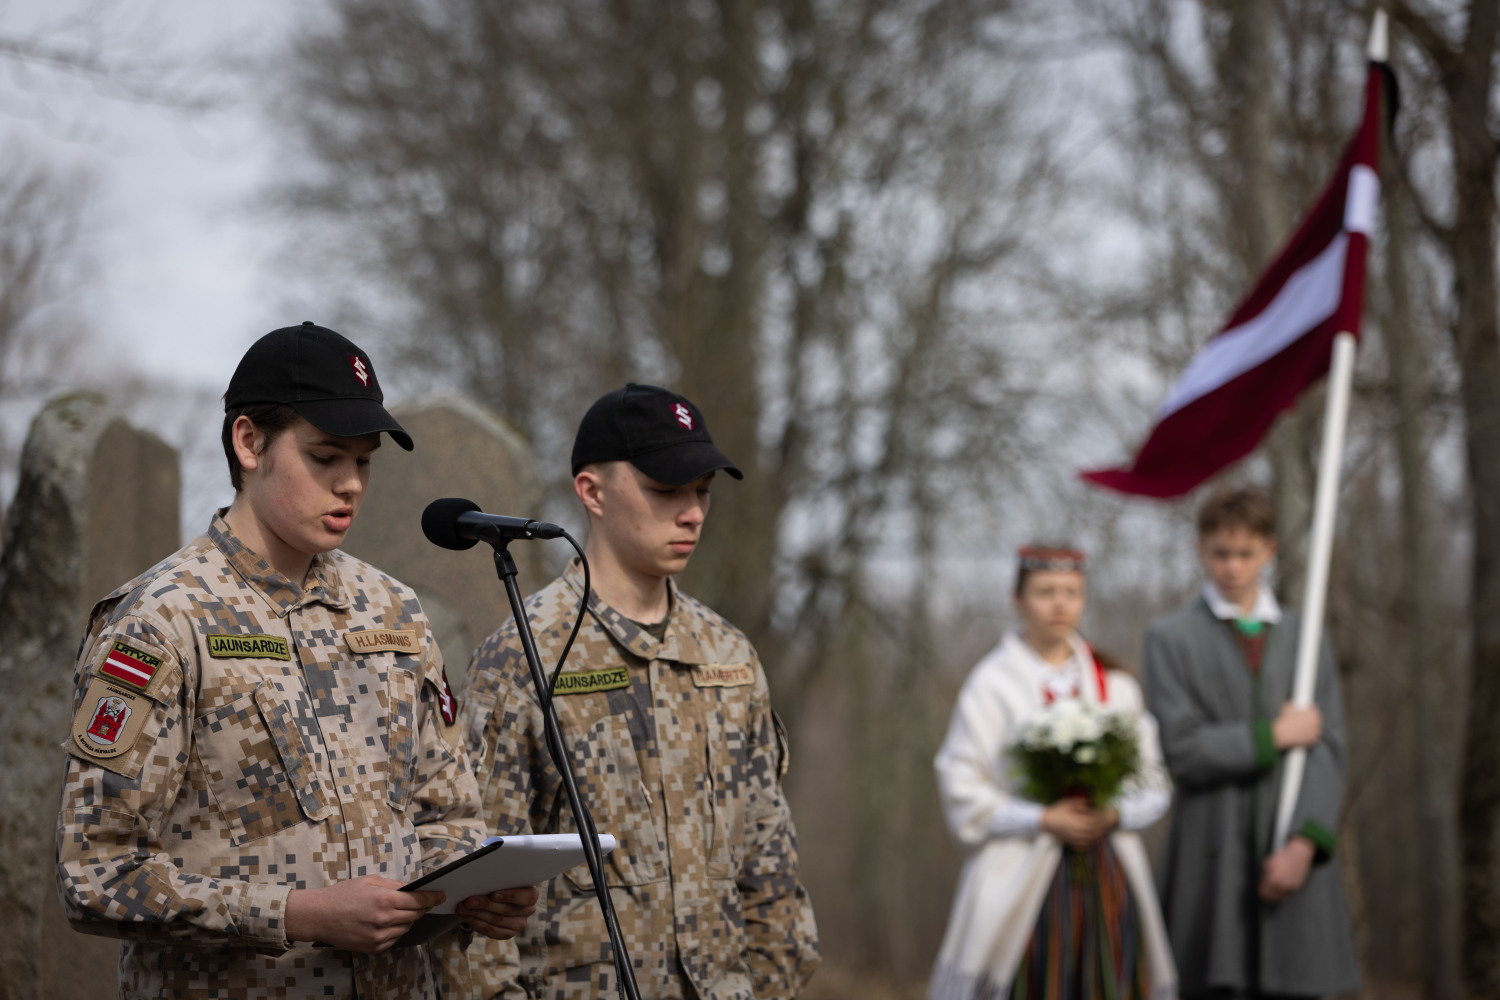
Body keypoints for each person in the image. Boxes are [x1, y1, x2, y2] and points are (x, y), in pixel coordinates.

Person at [55, 322, 539, 999]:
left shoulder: (393, 612)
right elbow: (95, 872)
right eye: (325, 457)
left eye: (363, 462)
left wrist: (472, 893)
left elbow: (445, 817)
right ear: (249, 442)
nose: (350, 485)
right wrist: (299, 914)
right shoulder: (162, 621)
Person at [459, 383, 820, 1000]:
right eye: (665, 490)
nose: (693, 512)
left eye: (702, 491)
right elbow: (480, 894)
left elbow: (768, 860)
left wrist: (769, 984)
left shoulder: (728, 655)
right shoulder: (526, 654)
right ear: (591, 492)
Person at [928, 545, 1176, 1000]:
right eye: (1045, 592)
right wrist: (1042, 818)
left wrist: (1113, 814)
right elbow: (961, 781)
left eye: (1071, 592)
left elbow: (1154, 782)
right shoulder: (991, 685)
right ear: (1017, 599)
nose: (1059, 604)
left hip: (1108, 876)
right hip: (1021, 875)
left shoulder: (1116, 686)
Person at [1144, 484, 1358, 998]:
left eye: (1245, 553)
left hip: (1293, 859)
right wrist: (1274, 735)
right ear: (1201, 549)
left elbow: (1328, 748)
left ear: (1269, 549)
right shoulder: (1170, 639)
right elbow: (1183, 749)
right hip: (1210, 862)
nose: (1232, 567)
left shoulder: (1305, 639)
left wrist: (1305, 845)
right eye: (1220, 553)